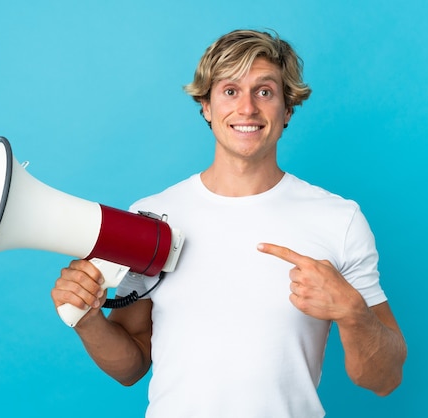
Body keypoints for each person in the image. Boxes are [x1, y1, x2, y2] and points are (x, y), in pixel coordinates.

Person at [50, 29, 407, 417]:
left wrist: (352, 312)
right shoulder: (151, 218)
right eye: (230, 91)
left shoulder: (339, 220)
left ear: (287, 109)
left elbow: (384, 379)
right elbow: (132, 365)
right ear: (206, 105)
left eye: (265, 92)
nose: (248, 109)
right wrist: (88, 322)